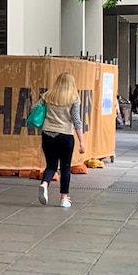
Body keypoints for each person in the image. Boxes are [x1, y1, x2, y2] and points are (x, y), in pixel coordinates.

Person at [36, 72, 86, 208]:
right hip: (65, 135)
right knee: (65, 167)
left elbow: (35, 108)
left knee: (51, 165)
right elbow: (76, 120)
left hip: (48, 133)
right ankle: (64, 198)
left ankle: (44, 184)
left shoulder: (47, 96)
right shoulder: (74, 98)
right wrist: (82, 141)